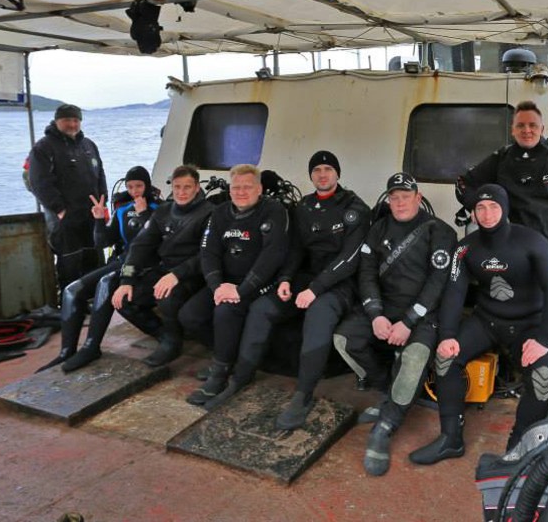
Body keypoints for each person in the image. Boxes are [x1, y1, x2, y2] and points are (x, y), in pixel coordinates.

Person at [204, 151, 371, 427]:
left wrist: (315, 289)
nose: (322, 174)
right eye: (316, 170)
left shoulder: (355, 208)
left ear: (337, 174)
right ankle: (240, 378)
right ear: (311, 176)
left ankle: (303, 395)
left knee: (318, 316)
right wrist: (285, 279)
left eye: (328, 169)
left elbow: (350, 259)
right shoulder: (303, 207)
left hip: (338, 283)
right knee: (261, 308)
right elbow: (294, 250)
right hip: (303, 278)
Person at [409, 185, 548, 465]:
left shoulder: (533, 242)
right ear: (473, 213)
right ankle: (450, 438)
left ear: (505, 209)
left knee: (541, 377)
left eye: (493, 206)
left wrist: (544, 339)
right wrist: (447, 335)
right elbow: (454, 293)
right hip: (487, 321)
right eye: (480, 208)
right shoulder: (465, 248)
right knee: (445, 358)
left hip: (529, 324)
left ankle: (519, 449)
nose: (487, 213)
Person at [333, 172, 456, 476]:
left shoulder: (440, 231)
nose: (400, 202)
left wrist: (409, 321)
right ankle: (387, 390)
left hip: (423, 313)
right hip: (384, 307)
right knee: (344, 340)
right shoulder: (378, 228)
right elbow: (366, 273)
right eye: (394, 197)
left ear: (418, 197)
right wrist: (375, 314)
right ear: (388, 201)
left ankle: (385, 427)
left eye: (406, 196)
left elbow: (438, 282)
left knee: (413, 359)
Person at [455, 100, 548, 318]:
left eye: (532, 125)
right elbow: (464, 183)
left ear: (542, 129)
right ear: (513, 130)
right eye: (520, 125)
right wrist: (475, 204)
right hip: (516, 249)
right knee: (518, 312)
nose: (527, 130)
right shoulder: (502, 159)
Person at [179, 164, 289, 406]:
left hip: (258, 283)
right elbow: (208, 253)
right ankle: (225, 358)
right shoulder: (220, 214)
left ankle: (220, 374)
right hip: (224, 284)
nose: (240, 192)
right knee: (190, 315)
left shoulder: (273, 211)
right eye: (236, 187)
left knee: (226, 311)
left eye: (247, 187)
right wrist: (217, 286)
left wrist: (242, 290)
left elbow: (272, 256)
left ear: (259, 189)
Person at [36, 166, 162, 372]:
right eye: (130, 186)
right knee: (71, 291)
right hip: (122, 259)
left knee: (105, 284)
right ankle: (66, 351)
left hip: (146, 263)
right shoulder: (122, 210)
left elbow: (155, 241)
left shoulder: (160, 209)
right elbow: (102, 242)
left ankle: (91, 346)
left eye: (139, 186)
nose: (135, 191)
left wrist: (145, 213)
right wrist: (98, 219)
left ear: (147, 185)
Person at [111, 165, 214, 367]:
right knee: (123, 299)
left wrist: (177, 274)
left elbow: (208, 254)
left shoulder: (210, 213)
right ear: (172, 188)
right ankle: (165, 334)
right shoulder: (164, 212)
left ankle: (173, 344)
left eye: (187, 187)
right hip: (165, 270)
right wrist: (127, 279)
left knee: (167, 296)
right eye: (177, 187)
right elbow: (140, 246)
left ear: (196, 188)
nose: (182, 192)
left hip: (195, 274)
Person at [28, 104, 107, 302]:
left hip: (91, 213)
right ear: (57, 121)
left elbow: (100, 174)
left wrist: (103, 202)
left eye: (76, 120)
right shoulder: (43, 147)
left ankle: (93, 299)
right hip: (64, 216)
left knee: (94, 256)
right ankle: (70, 303)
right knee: (70, 260)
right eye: (67, 120)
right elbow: (39, 183)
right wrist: (59, 209)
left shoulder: (89, 145)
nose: (72, 124)